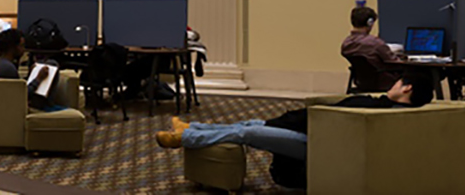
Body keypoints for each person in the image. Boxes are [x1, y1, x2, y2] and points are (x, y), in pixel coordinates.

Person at [154, 71, 435, 162]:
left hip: (317, 145)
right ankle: (194, 126)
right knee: (252, 123)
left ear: (407, 88)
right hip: (313, 131)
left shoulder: (387, 114)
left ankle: (185, 137)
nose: (393, 83)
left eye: (399, 82)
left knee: (249, 133)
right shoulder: (383, 104)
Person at [0, 28, 66, 112]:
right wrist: (38, 79)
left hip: (12, 104)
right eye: (21, 46)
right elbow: (22, 94)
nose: (24, 50)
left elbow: (17, 87)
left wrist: (30, 75)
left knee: (50, 63)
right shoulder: (7, 67)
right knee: (52, 64)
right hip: (21, 107)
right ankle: (48, 105)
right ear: (13, 47)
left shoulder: (1, 62)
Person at [341, 5, 401, 90]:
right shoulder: (375, 43)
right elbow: (394, 62)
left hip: (362, 82)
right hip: (383, 81)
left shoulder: (346, 43)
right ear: (370, 22)